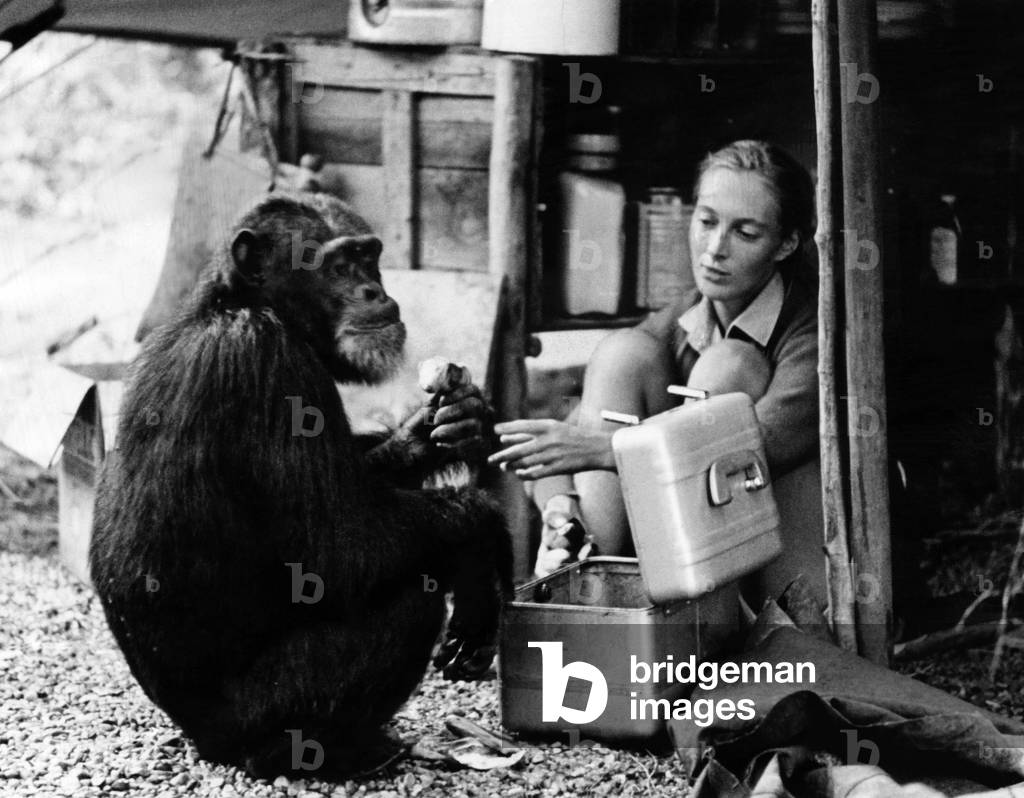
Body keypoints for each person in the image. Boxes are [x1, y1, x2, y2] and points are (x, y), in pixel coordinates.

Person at [490, 140, 822, 601]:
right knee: (623, 353)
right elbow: (565, 443)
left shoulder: (812, 330)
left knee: (729, 368)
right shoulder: (685, 317)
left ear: (786, 244)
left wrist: (606, 448)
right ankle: (585, 581)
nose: (714, 249)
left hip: (784, 559)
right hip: (689, 545)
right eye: (706, 222)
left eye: (745, 233)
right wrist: (561, 511)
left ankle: (704, 618)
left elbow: (755, 447)